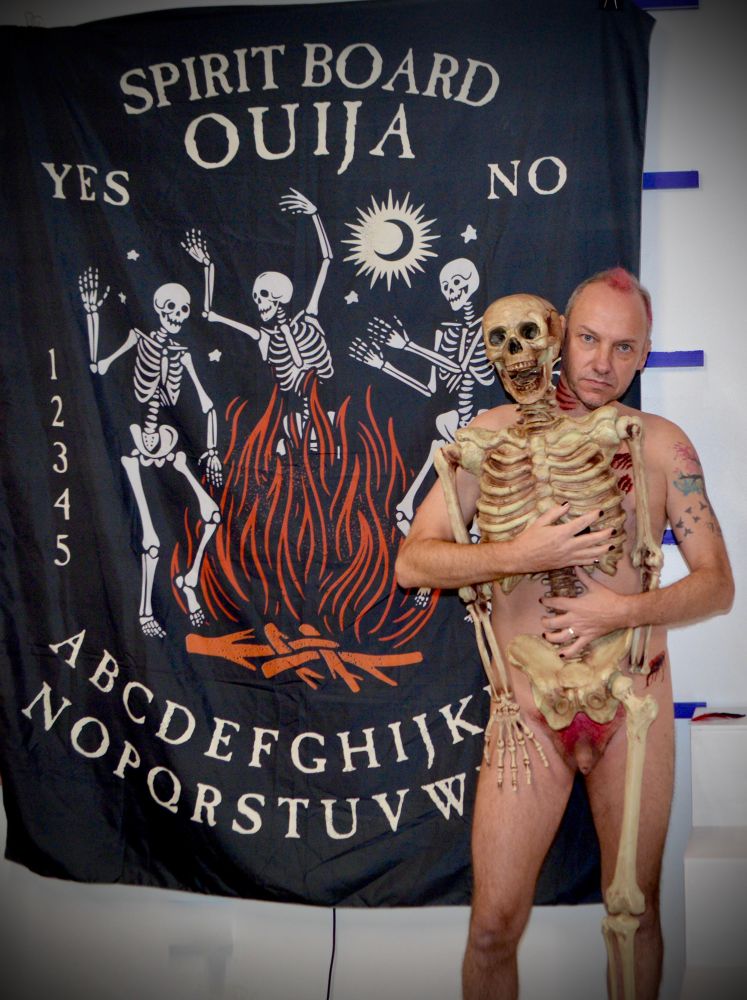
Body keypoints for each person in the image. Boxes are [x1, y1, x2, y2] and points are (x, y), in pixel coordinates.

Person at [395, 267, 734, 1000]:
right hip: (526, 709)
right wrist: (524, 554)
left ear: (644, 355)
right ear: (555, 334)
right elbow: (412, 562)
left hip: (630, 702)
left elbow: (715, 584)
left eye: (622, 347)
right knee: (491, 926)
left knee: (632, 914)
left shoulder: (657, 444)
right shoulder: (484, 440)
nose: (600, 364)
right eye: (586, 339)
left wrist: (617, 613)